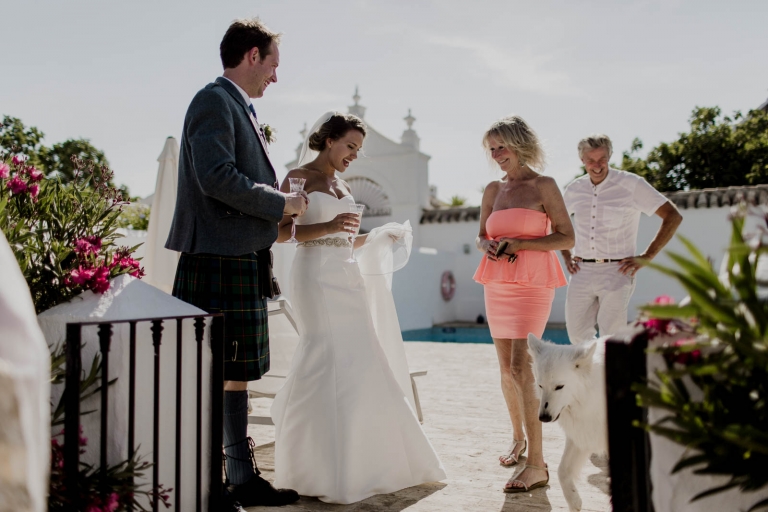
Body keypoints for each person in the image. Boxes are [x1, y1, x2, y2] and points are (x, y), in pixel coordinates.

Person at [165, 17, 308, 508]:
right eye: (273, 64)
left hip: (237, 256)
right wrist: (280, 203)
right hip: (216, 257)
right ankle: (209, 485)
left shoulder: (234, 105)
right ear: (252, 55)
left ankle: (240, 479)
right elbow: (216, 177)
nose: (275, 75)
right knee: (213, 372)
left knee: (235, 373)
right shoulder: (213, 100)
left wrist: (275, 223)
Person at [270, 112, 446, 504]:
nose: (353, 155)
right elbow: (281, 233)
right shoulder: (297, 178)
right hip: (314, 277)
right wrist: (330, 228)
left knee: (361, 359)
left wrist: (380, 236)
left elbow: (346, 241)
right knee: (322, 354)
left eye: (358, 150)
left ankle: (368, 462)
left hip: (348, 277)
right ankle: (309, 465)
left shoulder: (344, 184)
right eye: (350, 146)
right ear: (329, 139)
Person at [473, 115, 573, 493]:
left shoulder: (543, 185)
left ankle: (537, 464)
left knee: (521, 369)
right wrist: (490, 245)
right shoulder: (492, 190)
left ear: (520, 144)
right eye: (492, 148)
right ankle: (517, 438)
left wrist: (520, 244)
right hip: (497, 281)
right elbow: (482, 233)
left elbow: (566, 237)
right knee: (505, 370)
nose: (497, 154)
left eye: (502, 146)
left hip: (533, 283)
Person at [561, 134, 682, 343]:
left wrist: (648, 255)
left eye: (603, 159)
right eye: (591, 160)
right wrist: (565, 254)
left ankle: (614, 375)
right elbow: (557, 223)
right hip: (581, 270)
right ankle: (593, 376)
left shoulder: (631, 184)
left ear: (610, 156)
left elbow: (673, 216)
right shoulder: (574, 189)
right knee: (576, 335)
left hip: (617, 270)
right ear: (582, 160)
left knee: (613, 337)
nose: (597, 166)